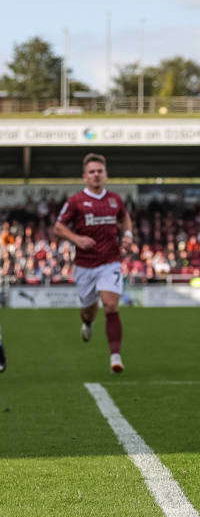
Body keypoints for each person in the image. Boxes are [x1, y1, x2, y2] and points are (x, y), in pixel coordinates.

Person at [53, 153, 132, 373]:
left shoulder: (115, 199)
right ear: (85, 177)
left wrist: (127, 235)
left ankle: (115, 356)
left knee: (110, 305)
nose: (96, 175)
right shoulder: (76, 201)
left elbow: (125, 217)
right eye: (92, 172)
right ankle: (87, 323)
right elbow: (58, 227)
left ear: (106, 174)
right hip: (85, 265)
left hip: (110, 262)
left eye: (100, 171)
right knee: (88, 311)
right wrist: (77, 239)